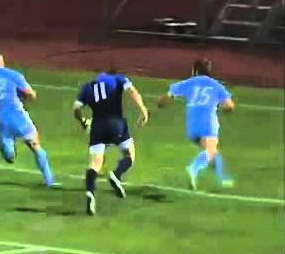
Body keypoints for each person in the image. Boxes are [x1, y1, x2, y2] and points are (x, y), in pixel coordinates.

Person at [0, 48, 58, 187]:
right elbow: (30, 95)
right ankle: (49, 181)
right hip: (17, 115)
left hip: (0, 120)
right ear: (0, 58)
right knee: (35, 144)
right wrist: (26, 96)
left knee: (10, 158)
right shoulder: (13, 75)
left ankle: (8, 150)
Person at [73, 69, 149, 216]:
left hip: (97, 127)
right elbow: (132, 92)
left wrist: (82, 122)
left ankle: (90, 193)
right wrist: (143, 110)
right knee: (129, 155)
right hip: (116, 123)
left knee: (95, 164)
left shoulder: (87, 87)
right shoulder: (118, 79)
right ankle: (116, 174)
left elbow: (76, 108)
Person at [157, 57, 235, 190]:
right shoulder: (216, 85)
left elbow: (166, 97)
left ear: (195, 70)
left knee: (211, 151)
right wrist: (220, 107)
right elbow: (229, 106)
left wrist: (160, 103)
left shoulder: (189, 82)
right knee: (210, 151)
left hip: (192, 125)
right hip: (208, 123)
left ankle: (222, 178)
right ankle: (193, 169)